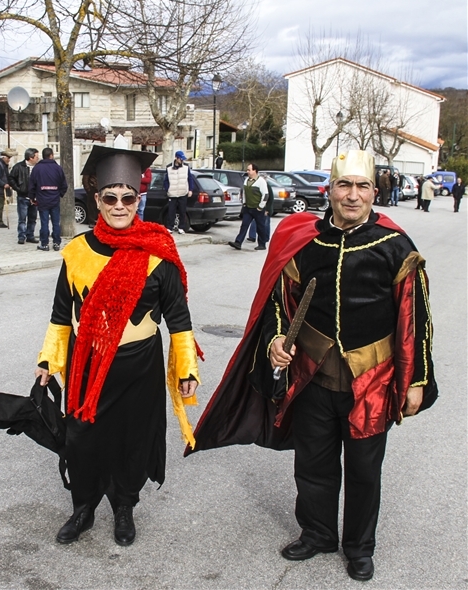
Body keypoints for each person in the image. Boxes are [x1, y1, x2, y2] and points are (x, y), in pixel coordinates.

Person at [186, 150, 437, 583]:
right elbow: (280, 306)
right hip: (313, 377)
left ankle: (359, 548)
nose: (352, 195)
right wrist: (276, 342)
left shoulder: (395, 246)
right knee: (313, 464)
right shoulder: (306, 241)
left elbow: (414, 319)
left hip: (372, 381)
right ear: (330, 190)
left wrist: (415, 381)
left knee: (363, 471)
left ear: (374, 192)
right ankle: (318, 533)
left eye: (361, 187)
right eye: (344, 186)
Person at [35, 145, 201, 546]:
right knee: (83, 439)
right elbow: (61, 314)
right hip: (86, 364)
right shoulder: (76, 254)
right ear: (97, 200)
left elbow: (178, 319)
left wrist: (186, 369)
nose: (120, 205)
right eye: (110, 197)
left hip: (138, 367)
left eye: (128, 197)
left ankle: (124, 508)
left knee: (131, 439)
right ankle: (84, 508)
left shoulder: (156, 253)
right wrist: (48, 360)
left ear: (138, 199)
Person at [29, 147, 68, 251]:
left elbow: (32, 185)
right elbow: (64, 185)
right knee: (56, 222)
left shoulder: (37, 168)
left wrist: (32, 197)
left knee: (44, 222)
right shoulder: (58, 168)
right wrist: (59, 194)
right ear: (51, 155)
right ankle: (56, 243)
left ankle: (45, 244)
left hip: (42, 200)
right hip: (55, 199)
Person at [228, 163, 269, 251]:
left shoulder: (261, 181)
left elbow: (265, 195)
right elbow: (245, 193)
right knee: (244, 225)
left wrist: (260, 207)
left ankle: (262, 244)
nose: (247, 172)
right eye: (247, 170)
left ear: (255, 171)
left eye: (249, 170)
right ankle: (238, 242)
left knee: (260, 226)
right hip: (248, 208)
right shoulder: (246, 180)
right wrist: (244, 203)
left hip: (257, 208)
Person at [9, 148, 40, 244]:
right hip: (23, 196)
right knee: (22, 218)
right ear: (31, 158)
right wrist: (18, 188)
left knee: (32, 218)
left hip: (35, 197)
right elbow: (11, 178)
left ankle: (30, 235)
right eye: (36, 157)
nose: (38, 159)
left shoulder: (38, 167)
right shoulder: (18, 167)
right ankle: (21, 236)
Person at [163, 150, 194, 234]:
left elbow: (190, 179)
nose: (182, 161)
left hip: (183, 192)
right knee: (171, 211)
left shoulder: (186, 167)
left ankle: (181, 227)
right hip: (172, 193)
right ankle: (170, 227)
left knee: (182, 211)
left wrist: (190, 189)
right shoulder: (169, 167)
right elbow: (165, 180)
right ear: (176, 158)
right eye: (180, 159)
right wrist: (167, 189)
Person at [247, 174, 274, 243]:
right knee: (254, 222)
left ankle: (266, 238)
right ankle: (252, 236)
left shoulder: (268, 187)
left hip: (265, 208)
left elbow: (270, 199)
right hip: (258, 207)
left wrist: (267, 210)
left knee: (266, 223)